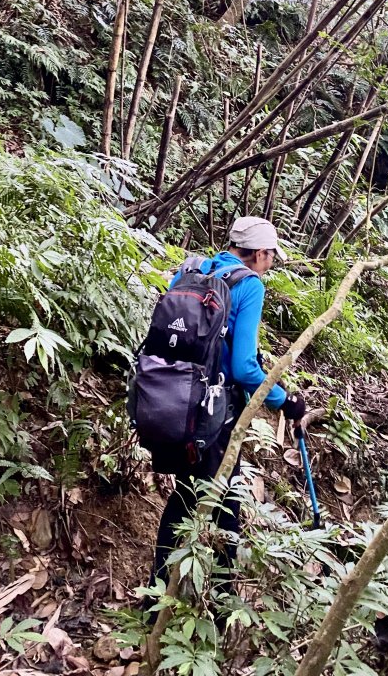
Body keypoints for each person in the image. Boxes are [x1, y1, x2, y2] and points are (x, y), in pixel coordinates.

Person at [150, 216, 306, 596]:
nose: (270, 265)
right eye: (271, 257)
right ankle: (221, 603)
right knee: (226, 501)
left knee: (185, 493)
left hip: (170, 400)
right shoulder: (248, 285)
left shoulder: (191, 269)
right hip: (214, 413)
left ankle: (155, 594)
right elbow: (244, 366)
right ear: (258, 254)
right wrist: (284, 401)